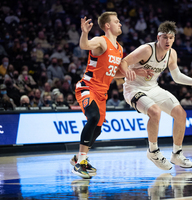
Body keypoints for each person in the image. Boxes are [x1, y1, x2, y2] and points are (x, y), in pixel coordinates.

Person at [120, 21, 192, 170]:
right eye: (165, 37)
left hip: (153, 88)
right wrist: (130, 72)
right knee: (155, 112)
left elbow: (176, 76)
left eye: (171, 38)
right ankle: (153, 151)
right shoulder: (146, 50)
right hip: (133, 88)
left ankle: (177, 154)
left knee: (181, 114)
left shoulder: (172, 53)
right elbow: (123, 62)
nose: (168, 41)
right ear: (158, 37)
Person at [70, 12, 142, 179]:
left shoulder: (119, 48)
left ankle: (79, 158)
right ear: (108, 25)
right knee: (93, 117)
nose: (120, 24)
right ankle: (80, 163)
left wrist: (133, 72)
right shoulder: (101, 41)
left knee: (98, 129)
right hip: (87, 87)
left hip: (102, 92)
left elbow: (112, 73)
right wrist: (85, 33)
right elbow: (85, 45)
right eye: (117, 21)